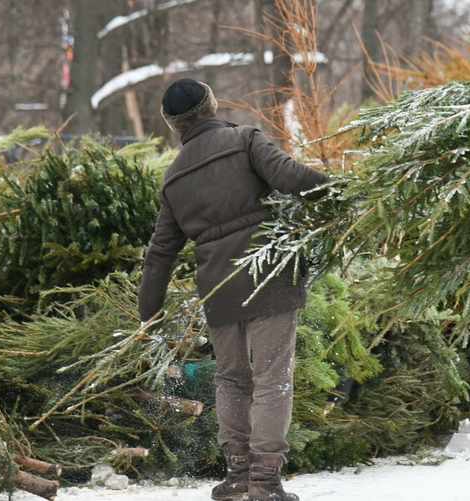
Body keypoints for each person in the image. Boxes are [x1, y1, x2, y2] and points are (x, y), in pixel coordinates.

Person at [138, 78, 328, 501]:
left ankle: (238, 476)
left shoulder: (173, 179)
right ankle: (265, 481)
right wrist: (341, 192)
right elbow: (292, 177)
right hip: (268, 273)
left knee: (232, 379)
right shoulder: (244, 141)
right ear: (212, 105)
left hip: (219, 289)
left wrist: (147, 315)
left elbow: (160, 254)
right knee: (272, 377)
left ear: (172, 124)